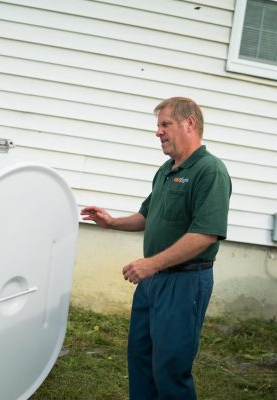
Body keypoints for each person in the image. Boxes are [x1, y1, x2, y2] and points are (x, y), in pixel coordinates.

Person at [81, 97, 231, 399]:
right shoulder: (166, 169)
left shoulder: (209, 171)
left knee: (170, 369)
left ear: (189, 123)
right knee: (141, 360)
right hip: (154, 283)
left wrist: (152, 264)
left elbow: (206, 234)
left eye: (165, 124)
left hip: (185, 282)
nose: (158, 132)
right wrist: (111, 223)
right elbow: (146, 216)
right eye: (157, 126)